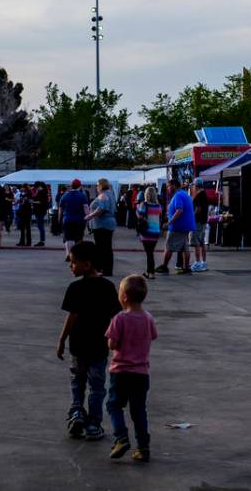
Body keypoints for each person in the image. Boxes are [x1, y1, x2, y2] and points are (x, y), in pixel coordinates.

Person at [57, 241, 122, 441]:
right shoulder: (108, 287)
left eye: (74, 263)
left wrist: (62, 340)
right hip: (99, 347)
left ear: (87, 264)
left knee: (78, 380)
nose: (71, 266)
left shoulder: (75, 288)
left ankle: (76, 412)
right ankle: (94, 424)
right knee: (97, 386)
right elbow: (116, 319)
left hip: (77, 345)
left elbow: (72, 317)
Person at [106, 274, 158, 463]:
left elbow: (111, 344)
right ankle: (143, 448)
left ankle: (121, 438)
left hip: (120, 372)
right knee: (138, 410)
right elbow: (153, 336)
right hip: (141, 373)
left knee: (114, 405)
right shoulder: (148, 318)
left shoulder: (120, 318)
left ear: (125, 297)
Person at [155, 179, 194, 275]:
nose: (167, 189)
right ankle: (186, 267)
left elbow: (179, 210)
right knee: (185, 247)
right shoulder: (185, 194)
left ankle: (164, 266)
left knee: (169, 246)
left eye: (168, 186)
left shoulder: (178, 195)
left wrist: (169, 223)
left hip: (177, 226)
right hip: (186, 226)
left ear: (174, 185)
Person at [86, 178, 117, 277]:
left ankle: (104, 269)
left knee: (102, 248)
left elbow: (102, 209)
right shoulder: (110, 194)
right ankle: (107, 269)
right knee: (106, 248)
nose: (96, 187)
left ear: (101, 185)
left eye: (97, 185)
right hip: (107, 224)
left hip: (102, 225)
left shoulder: (103, 195)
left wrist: (90, 216)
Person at [60, 179, 89, 262]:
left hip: (67, 220)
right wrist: (88, 218)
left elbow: (60, 208)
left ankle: (69, 254)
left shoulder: (65, 195)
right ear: (79, 186)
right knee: (78, 238)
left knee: (68, 238)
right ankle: (77, 256)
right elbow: (86, 208)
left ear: (71, 186)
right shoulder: (82, 196)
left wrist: (60, 218)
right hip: (80, 220)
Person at [136, 186, 163, 278]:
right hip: (156, 231)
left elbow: (140, 216)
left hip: (147, 232)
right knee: (150, 252)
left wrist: (137, 208)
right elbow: (159, 217)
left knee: (149, 253)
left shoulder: (144, 204)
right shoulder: (158, 206)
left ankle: (151, 273)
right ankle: (149, 272)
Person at [190, 178, 210, 272]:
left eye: (193, 185)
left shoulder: (198, 196)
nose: (192, 187)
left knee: (196, 243)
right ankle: (203, 263)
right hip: (203, 222)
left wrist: (192, 218)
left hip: (197, 222)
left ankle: (197, 263)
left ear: (196, 186)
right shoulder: (204, 194)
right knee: (202, 243)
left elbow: (198, 209)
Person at [33, 182, 49, 247]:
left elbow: (40, 201)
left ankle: (42, 241)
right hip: (40, 211)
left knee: (40, 226)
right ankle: (42, 240)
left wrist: (32, 201)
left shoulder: (42, 193)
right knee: (40, 226)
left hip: (40, 211)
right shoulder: (42, 192)